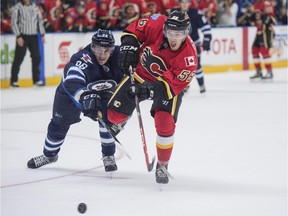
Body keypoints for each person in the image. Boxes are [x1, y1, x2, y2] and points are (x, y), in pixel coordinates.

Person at [106, 11, 198, 184]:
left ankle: (162, 165)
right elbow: (132, 31)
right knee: (113, 116)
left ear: (186, 33)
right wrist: (129, 46)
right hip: (140, 74)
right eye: (169, 32)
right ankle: (124, 119)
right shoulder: (156, 23)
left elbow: (170, 88)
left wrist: (147, 91)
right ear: (164, 29)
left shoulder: (189, 60)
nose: (172, 38)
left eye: (178, 34)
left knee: (165, 124)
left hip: (165, 87)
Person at [27, 29, 124, 172]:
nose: (102, 54)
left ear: (112, 48)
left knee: (107, 118)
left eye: (106, 50)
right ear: (92, 47)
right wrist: (84, 96)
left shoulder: (120, 56)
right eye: (98, 49)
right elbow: (72, 79)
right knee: (59, 124)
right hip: (71, 94)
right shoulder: (83, 58)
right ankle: (49, 155)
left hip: (103, 92)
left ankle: (108, 155)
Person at [173, 0, 212, 93]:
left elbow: (206, 27)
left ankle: (201, 84)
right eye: (182, 2)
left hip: (194, 44)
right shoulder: (174, 13)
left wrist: (207, 39)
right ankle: (184, 85)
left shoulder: (196, 13)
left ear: (190, 3)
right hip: (179, 45)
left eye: (186, 2)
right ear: (179, 3)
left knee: (196, 65)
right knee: (180, 66)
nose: (184, 4)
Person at [10, 0, 46, 87]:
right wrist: (18, 36)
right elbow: (14, 23)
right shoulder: (17, 7)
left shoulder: (34, 6)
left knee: (36, 57)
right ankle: (13, 80)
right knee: (19, 58)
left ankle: (36, 80)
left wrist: (42, 34)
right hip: (23, 36)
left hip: (33, 36)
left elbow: (39, 21)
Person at [249, 2, 276, 79]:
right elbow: (253, 19)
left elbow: (271, 19)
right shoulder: (256, 3)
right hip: (259, 31)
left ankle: (269, 71)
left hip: (267, 31)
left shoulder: (267, 3)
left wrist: (262, 15)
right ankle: (258, 71)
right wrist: (251, 14)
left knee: (264, 51)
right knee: (254, 50)